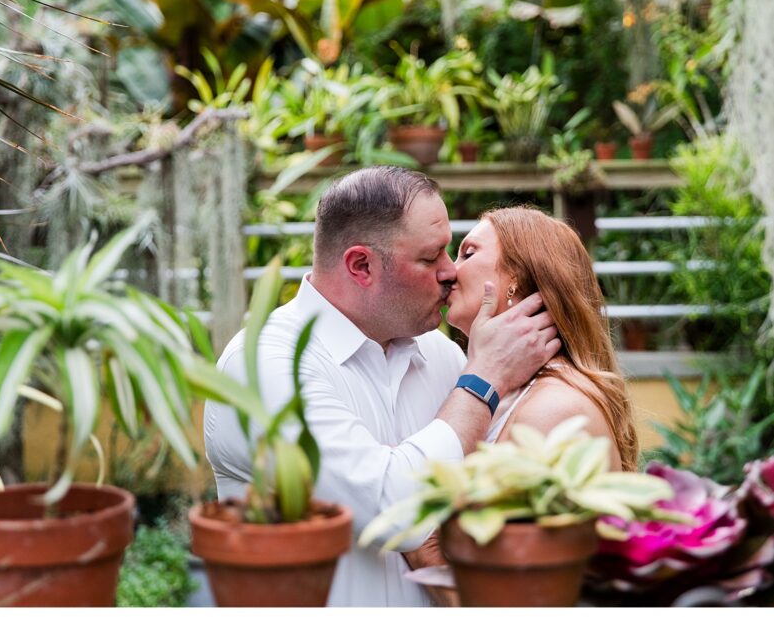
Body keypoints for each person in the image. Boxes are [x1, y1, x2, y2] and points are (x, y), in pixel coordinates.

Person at [203, 167, 561, 607]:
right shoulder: (263, 367)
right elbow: (393, 511)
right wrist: (484, 380)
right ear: (361, 266)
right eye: (431, 259)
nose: (450, 272)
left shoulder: (441, 355)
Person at [403, 205, 640, 603]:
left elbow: (513, 602)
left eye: (468, 252)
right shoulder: (512, 393)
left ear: (515, 279)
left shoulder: (554, 412)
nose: (448, 271)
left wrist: (420, 550)